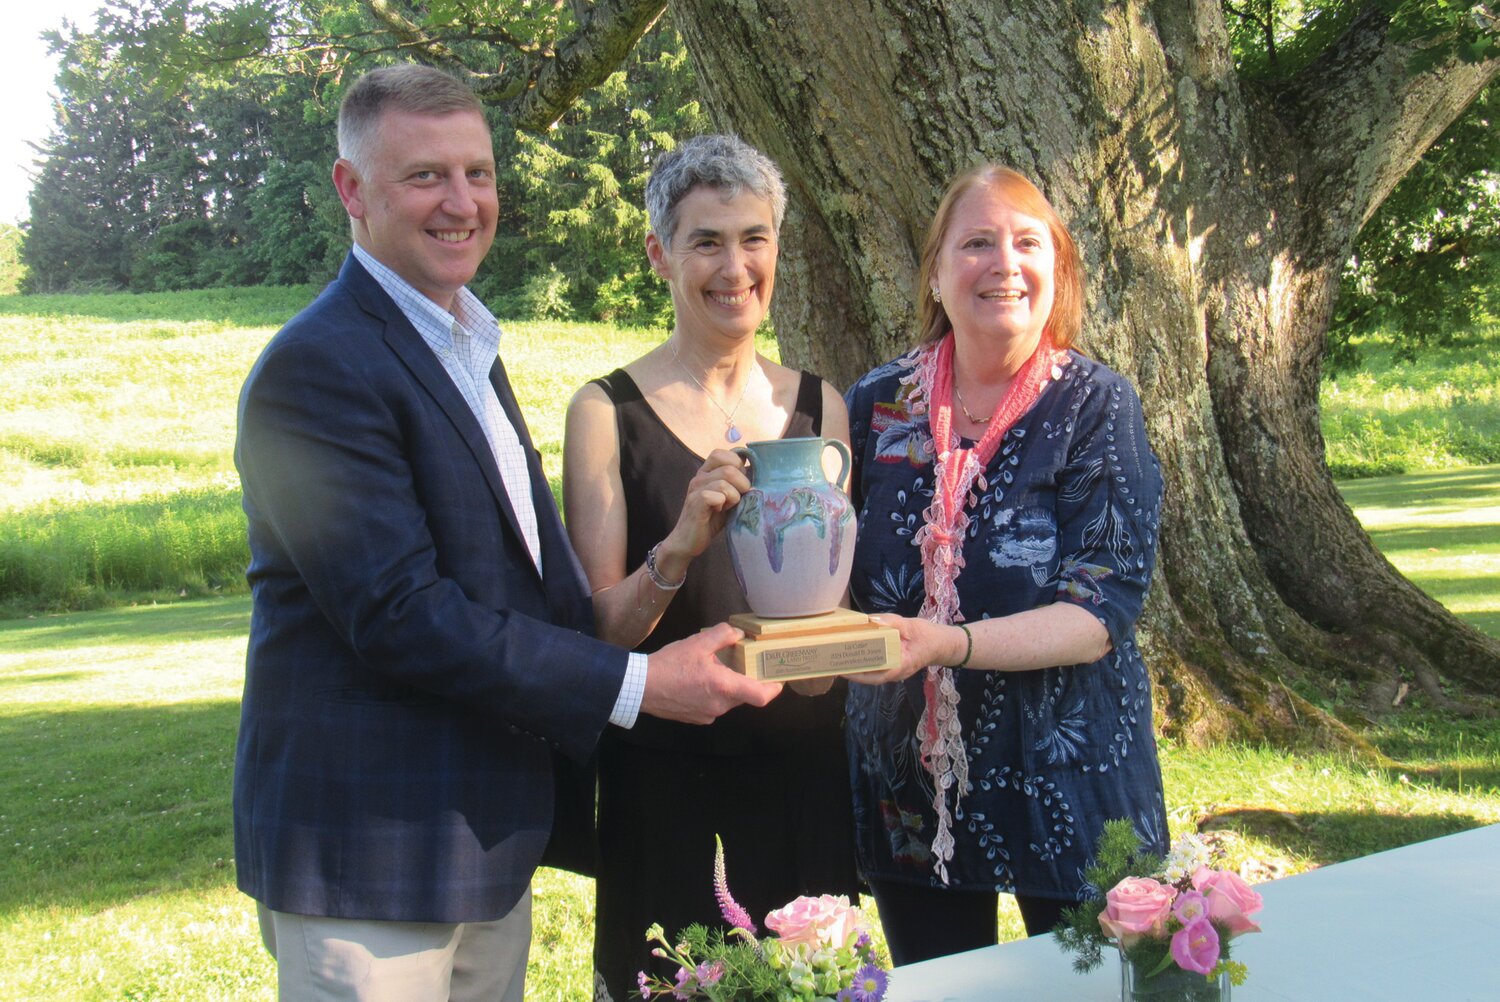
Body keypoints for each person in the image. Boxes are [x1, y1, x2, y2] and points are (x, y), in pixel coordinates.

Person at [232, 66, 781, 1002]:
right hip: (371, 857)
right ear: (350, 190)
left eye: (478, 174)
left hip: (483, 850)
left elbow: (530, 592)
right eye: (426, 177)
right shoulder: (316, 370)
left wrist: (672, 566)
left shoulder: (467, 351)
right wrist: (644, 684)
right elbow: (399, 614)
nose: (462, 203)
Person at [840, 164, 1168, 965]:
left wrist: (948, 644)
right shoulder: (876, 403)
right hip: (909, 790)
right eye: (977, 242)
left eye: (1027, 243)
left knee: (1098, 986)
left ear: (1058, 269)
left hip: (1070, 781)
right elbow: (828, 571)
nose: (1004, 264)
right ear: (936, 270)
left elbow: (1099, 614)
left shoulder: (1097, 405)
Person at [562, 134, 863, 1002]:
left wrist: (831, 656)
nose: (736, 267)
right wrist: (683, 541)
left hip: (800, 781)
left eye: (754, 237)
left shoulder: (819, 405)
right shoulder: (604, 412)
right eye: (707, 241)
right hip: (663, 788)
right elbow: (601, 634)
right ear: (659, 253)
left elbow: (826, 622)